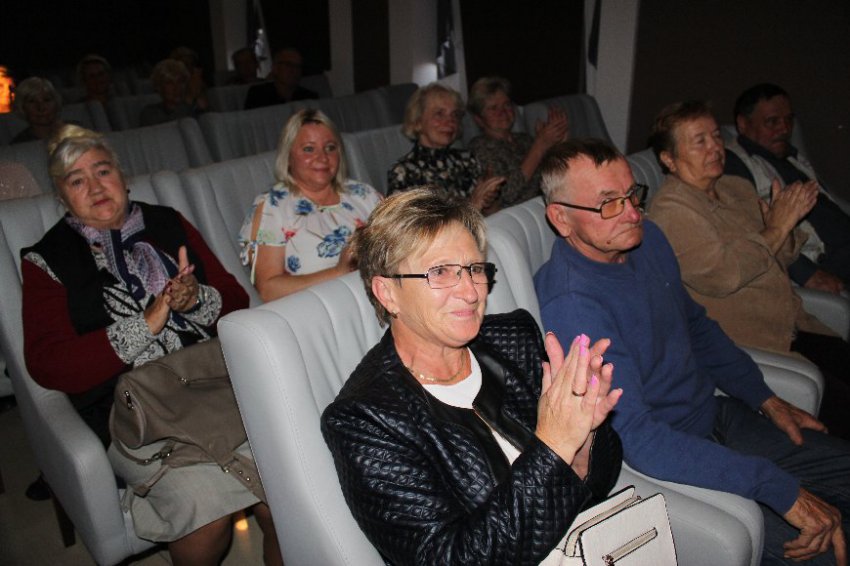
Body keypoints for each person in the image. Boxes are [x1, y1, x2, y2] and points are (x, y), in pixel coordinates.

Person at [534, 138, 850, 566]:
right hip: (669, 458)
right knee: (826, 551)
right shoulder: (573, 304)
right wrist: (777, 487)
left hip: (717, 416)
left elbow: (697, 327)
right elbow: (641, 440)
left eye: (632, 194)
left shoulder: (646, 241)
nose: (633, 213)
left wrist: (765, 398)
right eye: (609, 203)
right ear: (561, 219)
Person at [21, 125, 283, 565]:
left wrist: (195, 299)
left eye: (102, 171)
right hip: (134, 416)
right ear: (62, 196)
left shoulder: (167, 222)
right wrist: (145, 325)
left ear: (123, 177)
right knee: (205, 514)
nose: (95, 187)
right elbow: (49, 364)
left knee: (285, 494)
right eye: (77, 180)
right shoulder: (47, 259)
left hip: (214, 387)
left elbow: (235, 299)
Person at [322, 187, 623, 564]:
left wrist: (583, 436)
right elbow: (451, 558)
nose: (470, 291)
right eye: (440, 272)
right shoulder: (366, 418)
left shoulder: (514, 338)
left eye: (475, 269)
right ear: (387, 293)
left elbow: (603, 476)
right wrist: (555, 445)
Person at [647, 100, 850, 440]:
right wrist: (777, 227)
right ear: (669, 159)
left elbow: (781, 256)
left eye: (716, 136)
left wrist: (783, 225)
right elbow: (725, 275)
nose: (715, 147)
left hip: (794, 323)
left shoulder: (735, 188)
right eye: (699, 141)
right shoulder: (671, 212)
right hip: (755, 340)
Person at [238, 109, 381, 302]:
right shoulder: (273, 207)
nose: (322, 157)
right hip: (318, 309)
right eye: (308, 149)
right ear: (288, 156)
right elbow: (269, 290)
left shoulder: (364, 195)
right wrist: (339, 272)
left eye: (330, 147)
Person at [725, 83, 850, 293]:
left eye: (788, 120)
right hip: (824, 260)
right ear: (743, 124)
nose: (784, 129)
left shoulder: (791, 157)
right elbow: (750, 227)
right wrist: (807, 273)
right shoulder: (734, 164)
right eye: (772, 121)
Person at [387, 83, 505, 215]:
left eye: (454, 115)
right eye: (439, 114)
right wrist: (474, 204)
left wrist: (489, 198)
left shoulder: (467, 160)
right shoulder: (404, 172)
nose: (450, 122)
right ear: (418, 121)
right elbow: (412, 226)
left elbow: (493, 213)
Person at [466, 76, 569, 210]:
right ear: (479, 119)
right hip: (519, 214)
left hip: (548, 204)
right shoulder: (479, 147)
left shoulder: (524, 139)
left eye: (507, 104)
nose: (503, 112)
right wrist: (539, 146)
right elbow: (508, 194)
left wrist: (559, 142)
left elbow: (556, 176)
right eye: (493, 108)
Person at [244, 47, 318, 110]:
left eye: (298, 66)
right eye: (288, 65)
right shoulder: (258, 95)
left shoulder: (310, 98)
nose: (294, 70)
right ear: (275, 68)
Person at [139, 59, 202, 127]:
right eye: (169, 83)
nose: (177, 88)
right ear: (159, 87)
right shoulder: (149, 114)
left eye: (180, 81)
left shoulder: (193, 108)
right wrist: (188, 100)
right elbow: (169, 130)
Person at [11, 77, 65, 144]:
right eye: (32, 101)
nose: (41, 108)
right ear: (22, 107)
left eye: (46, 100)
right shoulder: (19, 145)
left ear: (57, 103)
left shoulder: (75, 131)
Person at [168, 46, 210, 112]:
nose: (189, 68)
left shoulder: (197, 83)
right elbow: (175, 115)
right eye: (185, 64)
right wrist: (190, 95)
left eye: (192, 64)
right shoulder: (169, 87)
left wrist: (199, 93)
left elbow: (207, 112)